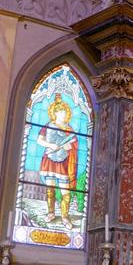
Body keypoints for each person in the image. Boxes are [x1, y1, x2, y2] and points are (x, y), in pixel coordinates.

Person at [37, 94, 78, 227]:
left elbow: (74, 144)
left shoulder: (69, 129)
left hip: (63, 162)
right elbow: (40, 140)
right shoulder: (48, 125)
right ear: (54, 113)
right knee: (50, 189)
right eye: (59, 111)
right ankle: (51, 213)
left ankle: (65, 217)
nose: (62, 113)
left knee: (65, 192)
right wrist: (50, 145)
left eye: (64, 111)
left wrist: (68, 146)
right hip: (50, 160)